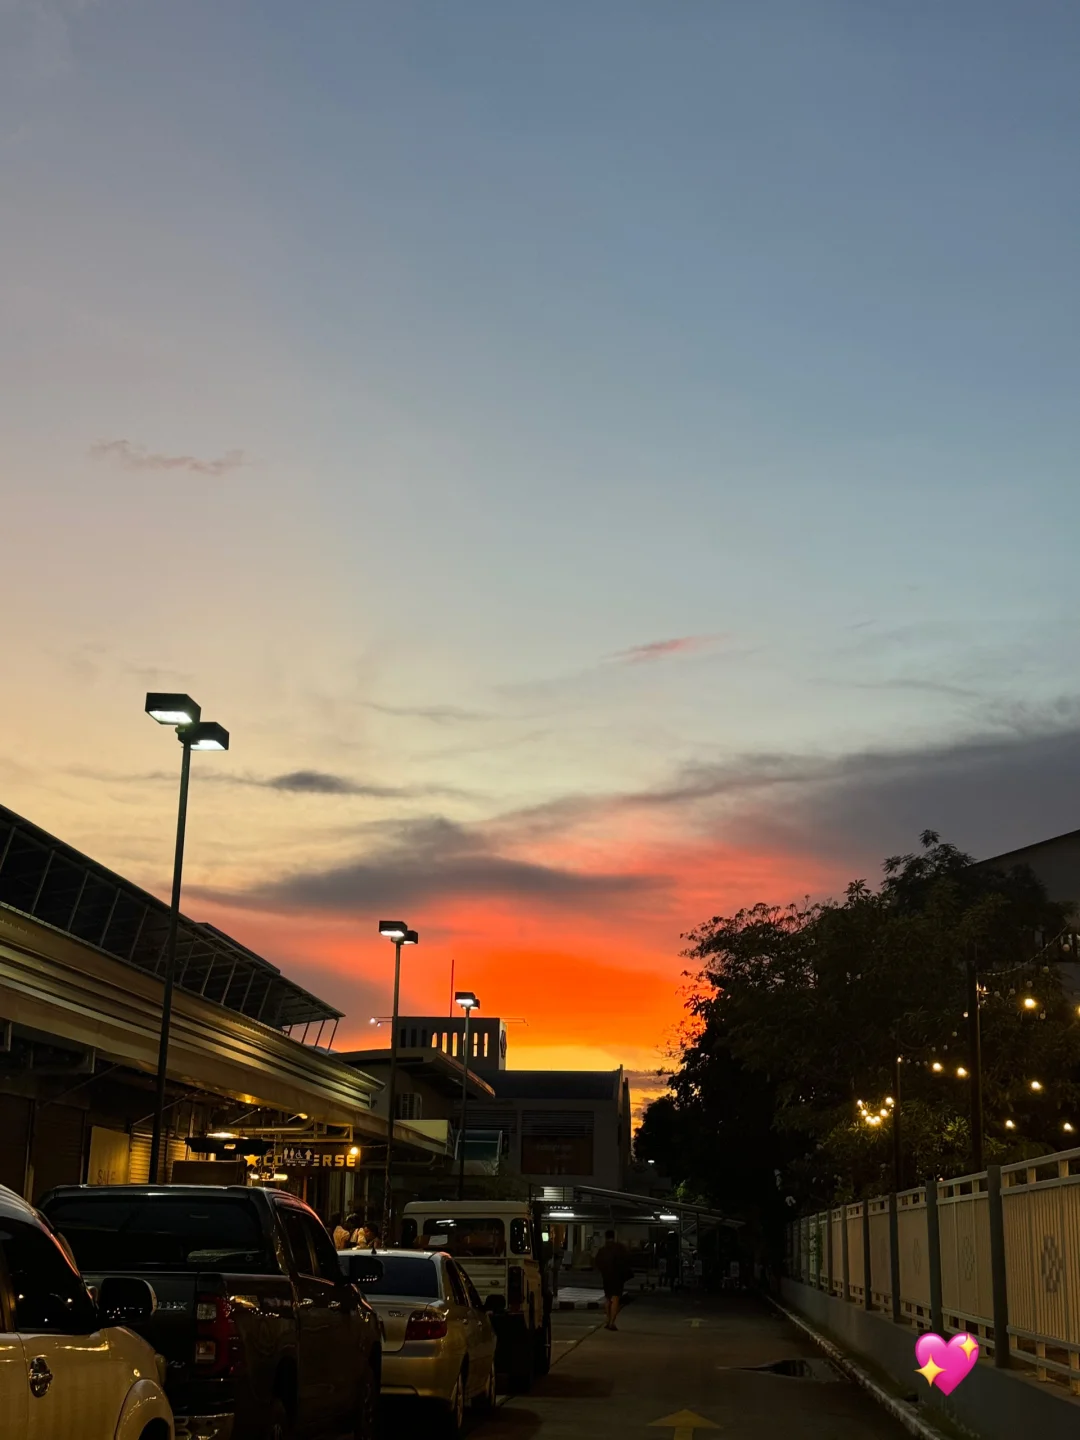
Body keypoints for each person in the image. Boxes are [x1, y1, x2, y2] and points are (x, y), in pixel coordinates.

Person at [593, 1229, 633, 1331]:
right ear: (614, 1237)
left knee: (608, 1298)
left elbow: (597, 1262)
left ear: (605, 1238)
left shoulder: (602, 1250)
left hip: (606, 1277)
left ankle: (608, 1319)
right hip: (617, 1277)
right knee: (615, 1299)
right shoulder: (620, 1248)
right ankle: (612, 1323)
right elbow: (628, 1260)